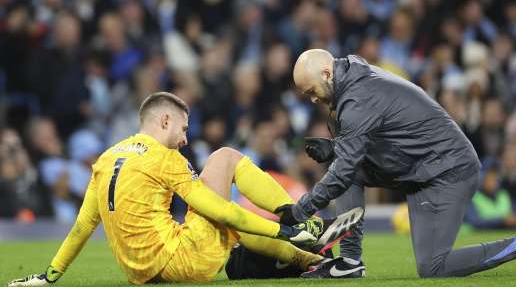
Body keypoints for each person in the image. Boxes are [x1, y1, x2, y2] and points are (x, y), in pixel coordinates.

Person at [7, 91, 363, 286]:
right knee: (224, 158)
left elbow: (83, 226)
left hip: (141, 275)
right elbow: (221, 210)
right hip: (183, 263)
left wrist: (49, 276)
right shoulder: (164, 158)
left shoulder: (106, 159)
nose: (185, 138)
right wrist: (284, 230)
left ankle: (313, 258)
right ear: (164, 121)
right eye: (183, 128)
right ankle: (302, 222)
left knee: (221, 223)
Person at [276, 49, 516, 278]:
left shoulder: (357, 97)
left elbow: (347, 167)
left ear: (326, 73)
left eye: (310, 90)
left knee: (433, 266)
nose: (312, 98)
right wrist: (337, 147)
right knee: (347, 165)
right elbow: (384, 136)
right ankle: (350, 262)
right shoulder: (353, 78)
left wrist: (302, 210)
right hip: (421, 168)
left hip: (449, 170)